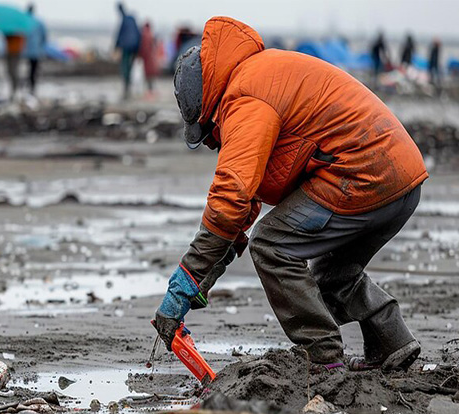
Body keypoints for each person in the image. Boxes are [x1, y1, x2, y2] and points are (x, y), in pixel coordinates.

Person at [153, 17, 428, 373]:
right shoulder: (259, 76)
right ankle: (393, 343)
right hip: (399, 177)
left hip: (365, 173)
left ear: (207, 105)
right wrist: (199, 280)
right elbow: (243, 205)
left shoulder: (244, 95)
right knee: (332, 271)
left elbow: (231, 196)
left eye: (208, 134)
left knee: (271, 245)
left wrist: (183, 282)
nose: (212, 144)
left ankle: (323, 357)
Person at [114, 3, 141, 100]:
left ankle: (126, 87)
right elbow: (138, 33)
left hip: (126, 46)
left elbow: (119, 34)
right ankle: (128, 86)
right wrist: (138, 47)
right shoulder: (132, 19)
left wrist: (116, 46)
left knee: (125, 66)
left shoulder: (124, 20)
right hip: (134, 46)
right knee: (129, 67)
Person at [24, 4, 47, 95]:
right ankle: (32, 87)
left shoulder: (24, 21)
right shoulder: (39, 22)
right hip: (36, 50)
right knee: (33, 70)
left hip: (25, 51)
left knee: (28, 69)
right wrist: (42, 47)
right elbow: (44, 36)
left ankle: (28, 86)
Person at [139, 22, 158, 95]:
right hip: (150, 57)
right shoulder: (150, 34)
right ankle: (150, 90)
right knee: (151, 75)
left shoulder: (144, 34)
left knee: (148, 75)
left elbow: (144, 47)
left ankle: (149, 90)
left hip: (147, 58)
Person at [4, 33, 25, 99]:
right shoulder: (9, 33)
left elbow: (22, 43)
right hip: (10, 51)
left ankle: (16, 88)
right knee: (10, 71)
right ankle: (14, 88)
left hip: (15, 52)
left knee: (13, 71)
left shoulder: (19, 33)